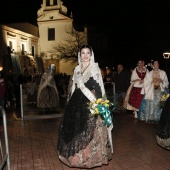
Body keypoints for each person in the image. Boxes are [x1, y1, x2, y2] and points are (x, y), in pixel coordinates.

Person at [57, 44, 113, 168]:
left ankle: (90, 159)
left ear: (91, 55)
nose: (86, 55)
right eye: (83, 53)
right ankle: (76, 158)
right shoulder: (76, 69)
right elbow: (74, 87)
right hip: (76, 102)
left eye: (88, 53)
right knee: (73, 129)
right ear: (80, 55)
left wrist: (100, 104)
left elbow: (99, 87)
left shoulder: (95, 69)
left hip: (90, 102)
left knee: (91, 129)